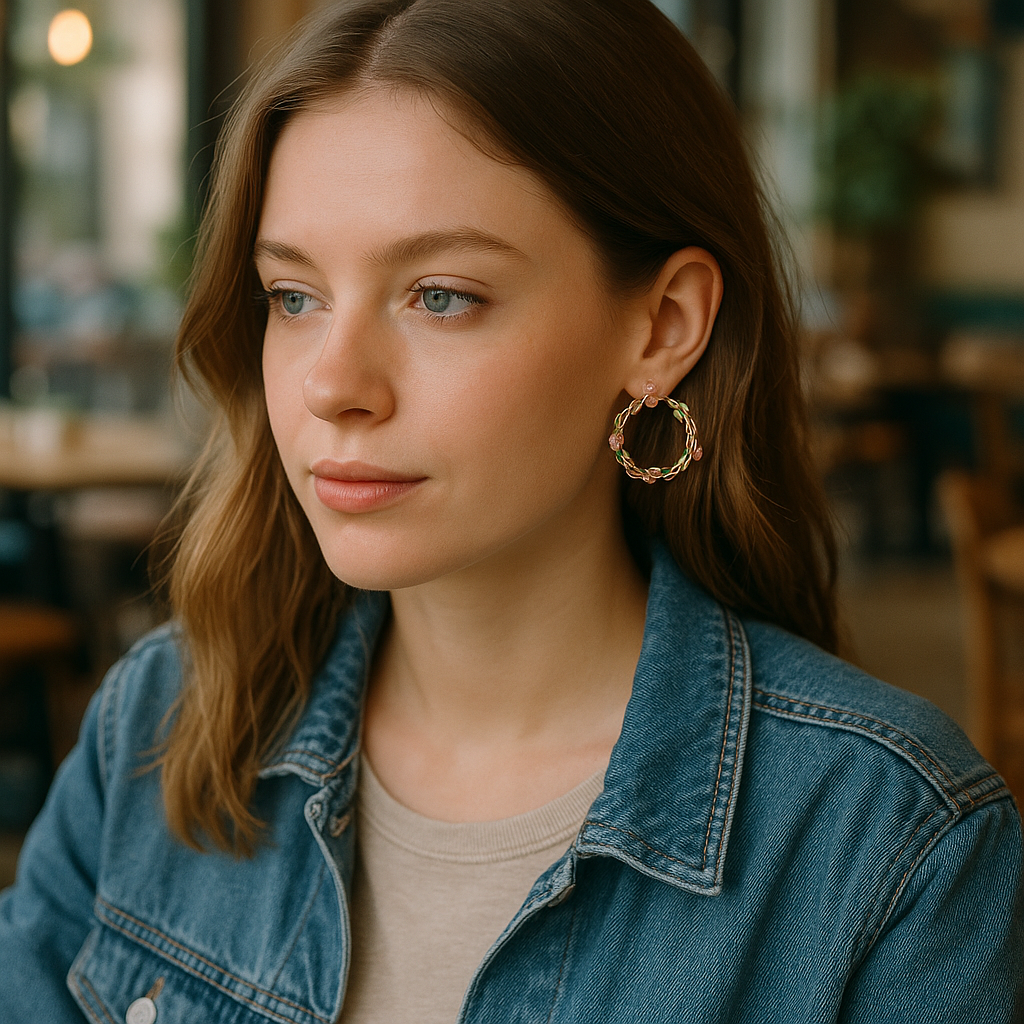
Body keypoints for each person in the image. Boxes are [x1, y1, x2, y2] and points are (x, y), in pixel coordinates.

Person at [2, 1, 1022, 1021]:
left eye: (441, 295)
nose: (332, 385)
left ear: (662, 327)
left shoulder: (892, 848)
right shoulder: (160, 724)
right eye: (293, 297)